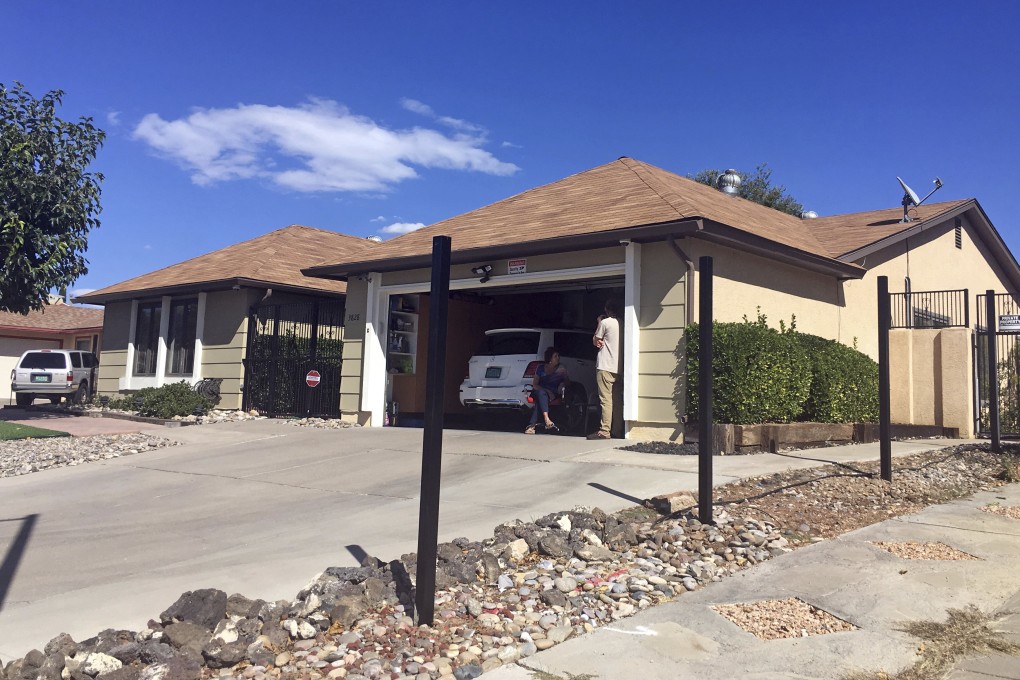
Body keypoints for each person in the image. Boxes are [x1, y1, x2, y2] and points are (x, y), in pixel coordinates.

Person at [588, 298, 622, 439]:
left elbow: (596, 340)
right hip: (619, 367)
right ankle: (618, 430)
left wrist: (598, 323)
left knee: (605, 400)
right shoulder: (623, 323)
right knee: (617, 400)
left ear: (607, 310)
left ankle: (605, 430)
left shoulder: (605, 323)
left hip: (605, 365)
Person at [524, 346, 569, 434]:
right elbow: (535, 384)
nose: (558, 358)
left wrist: (562, 383)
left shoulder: (561, 368)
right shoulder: (541, 368)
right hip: (540, 391)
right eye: (555, 356)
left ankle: (532, 426)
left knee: (539, 402)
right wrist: (547, 391)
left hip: (553, 394)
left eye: (558, 356)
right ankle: (546, 419)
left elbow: (568, 383)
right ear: (550, 358)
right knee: (541, 393)